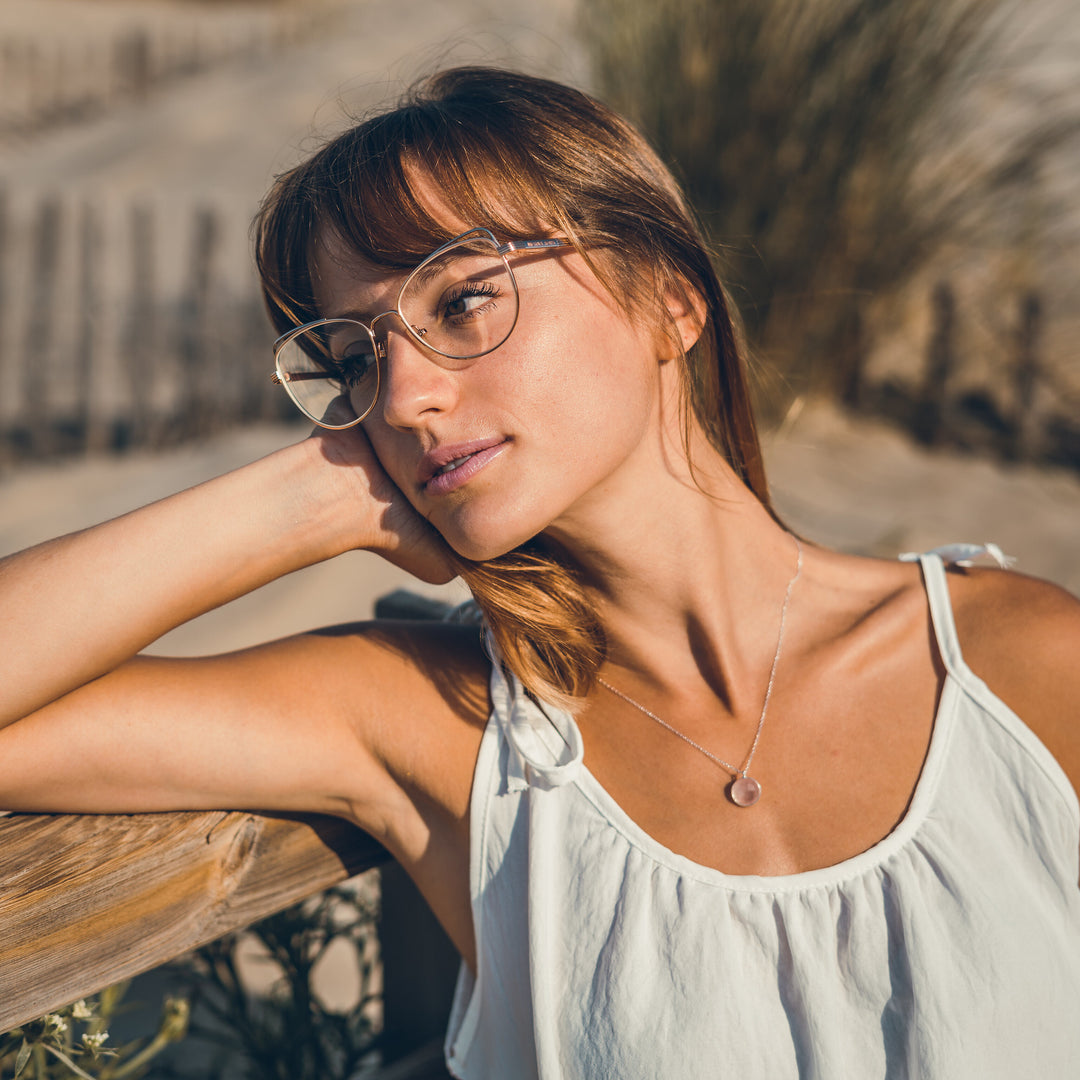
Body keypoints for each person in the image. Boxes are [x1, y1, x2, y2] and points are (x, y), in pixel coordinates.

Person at [2, 66, 1079, 1078]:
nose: (406, 396)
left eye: (464, 300)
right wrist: (312, 495)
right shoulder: (434, 723)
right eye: (357, 358)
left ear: (669, 297)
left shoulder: (1019, 668)